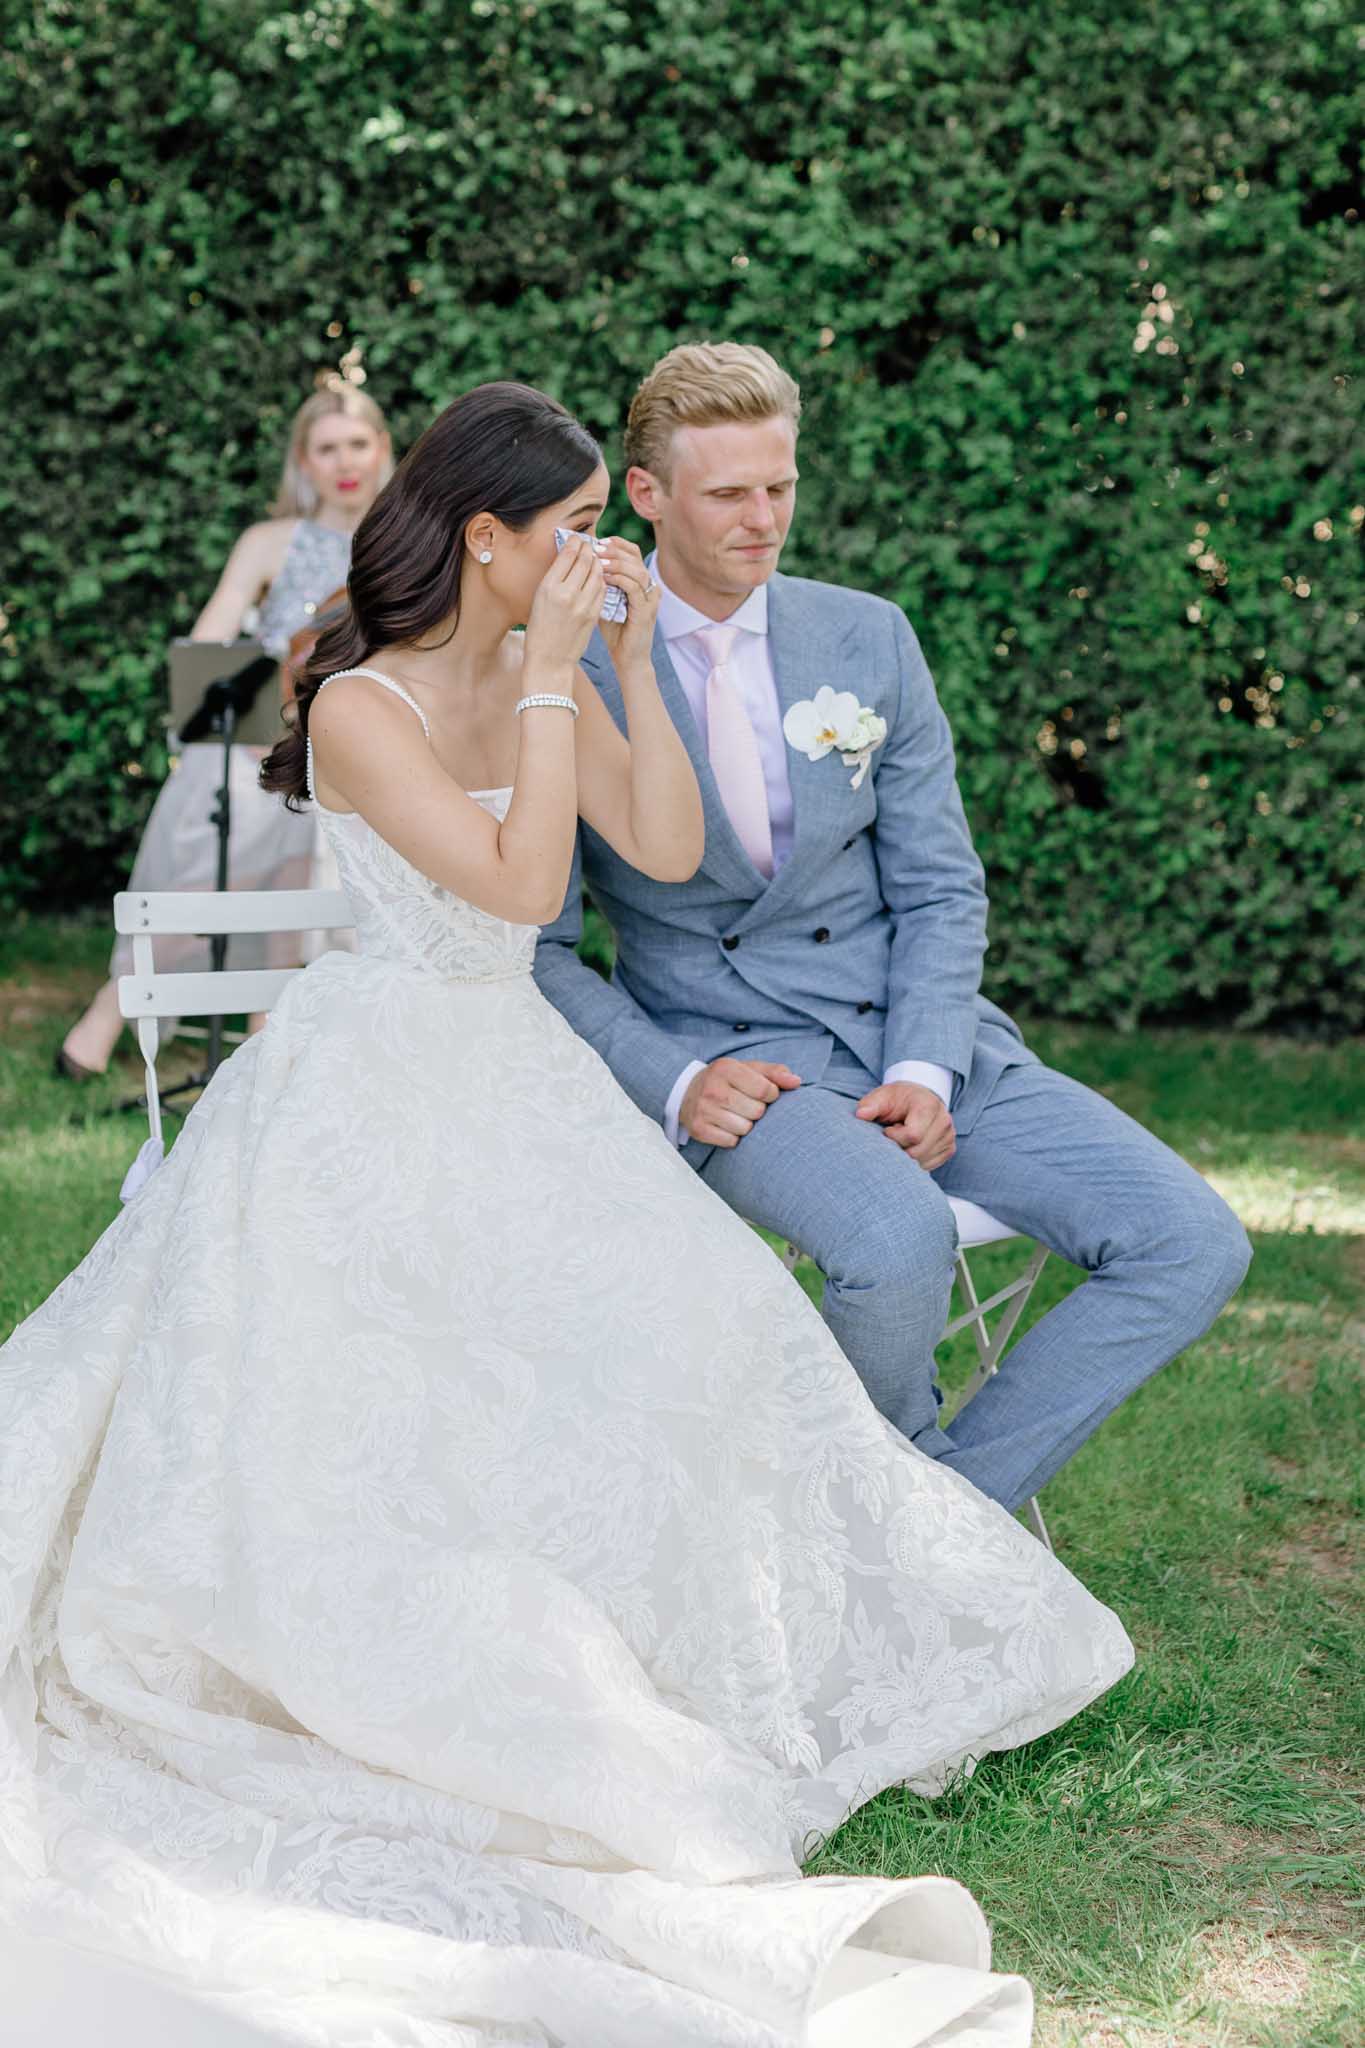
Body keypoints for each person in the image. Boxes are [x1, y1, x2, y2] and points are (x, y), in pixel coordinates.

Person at [0, 381, 1132, 2047]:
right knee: (404, 1410)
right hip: (372, 1085)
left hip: (518, 1083)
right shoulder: (365, 701)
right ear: (485, 536)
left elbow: (655, 837)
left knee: (704, 1347)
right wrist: (546, 682)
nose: (602, 549)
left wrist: (607, 674)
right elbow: (526, 893)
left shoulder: (557, 668)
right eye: (575, 525)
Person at [534, 340, 1253, 1515]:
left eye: (783, 485)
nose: (764, 519)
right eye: (729, 493)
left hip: (925, 1038)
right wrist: (674, 1081)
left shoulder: (869, 636)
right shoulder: (572, 670)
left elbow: (938, 885)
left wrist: (929, 1060)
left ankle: (925, 1518)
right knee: (901, 1240)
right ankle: (907, 1548)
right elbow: (541, 947)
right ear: (647, 494)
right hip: (749, 1073)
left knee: (1192, 1240)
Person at [56, 384, 392, 1078]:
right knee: (218, 881)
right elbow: (212, 641)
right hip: (260, 746)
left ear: (382, 449)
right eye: (326, 448)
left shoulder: (401, 543)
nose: (344, 462)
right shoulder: (268, 542)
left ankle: (261, 1047)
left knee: (296, 899)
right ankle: (112, 1005)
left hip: (357, 755)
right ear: (304, 459)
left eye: (357, 445)